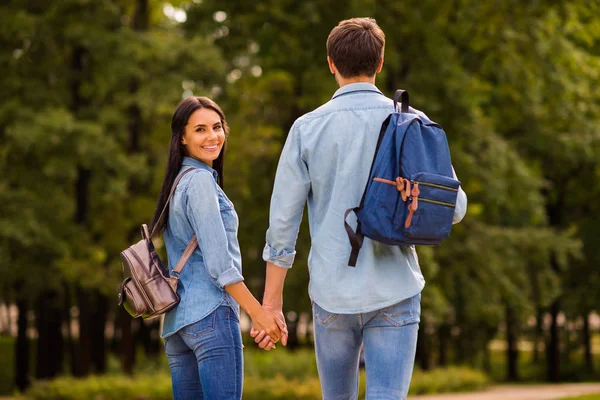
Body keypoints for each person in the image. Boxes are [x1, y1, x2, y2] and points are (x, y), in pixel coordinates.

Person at [253, 18, 467, 399]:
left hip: (331, 294)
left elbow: (283, 225)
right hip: (395, 287)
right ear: (380, 62)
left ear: (331, 63)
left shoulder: (306, 129)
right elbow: (456, 208)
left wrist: (271, 304)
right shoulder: (413, 123)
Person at [153, 96, 286, 400]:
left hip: (178, 325)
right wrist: (260, 315)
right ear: (182, 138)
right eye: (200, 129)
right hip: (212, 316)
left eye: (217, 127)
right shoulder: (199, 181)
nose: (212, 136)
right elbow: (219, 266)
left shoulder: (178, 181)